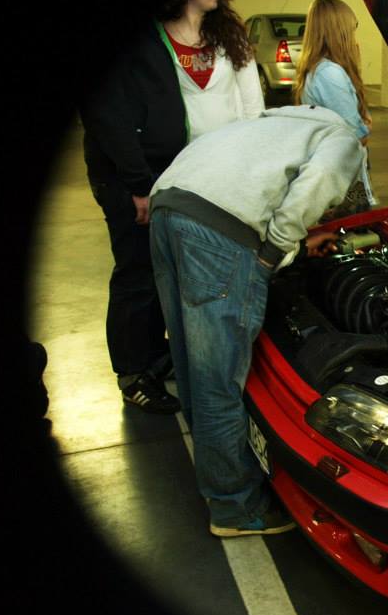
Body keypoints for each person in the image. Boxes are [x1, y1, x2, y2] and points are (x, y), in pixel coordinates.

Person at [148, 105, 364, 536]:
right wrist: (273, 251)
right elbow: (319, 183)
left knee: (192, 363)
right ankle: (236, 508)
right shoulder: (343, 138)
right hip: (217, 233)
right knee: (219, 379)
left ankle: (217, 473)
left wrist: (296, 246)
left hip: (167, 210)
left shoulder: (270, 123)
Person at [79, 19, 187, 415]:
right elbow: (107, 113)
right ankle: (132, 375)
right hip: (129, 180)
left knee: (153, 270)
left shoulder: (150, 30)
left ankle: (153, 355)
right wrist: (139, 184)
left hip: (150, 175)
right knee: (136, 273)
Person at [157, 0, 264, 141]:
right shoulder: (157, 39)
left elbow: (253, 102)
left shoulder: (232, 36)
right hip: (182, 151)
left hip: (232, 145)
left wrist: (254, 143)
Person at [293, 0, 375, 217]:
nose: (354, 38)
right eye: (352, 30)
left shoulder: (317, 68)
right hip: (343, 176)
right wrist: (366, 126)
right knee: (351, 229)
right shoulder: (330, 73)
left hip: (333, 169)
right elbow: (354, 133)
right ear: (340, 32)